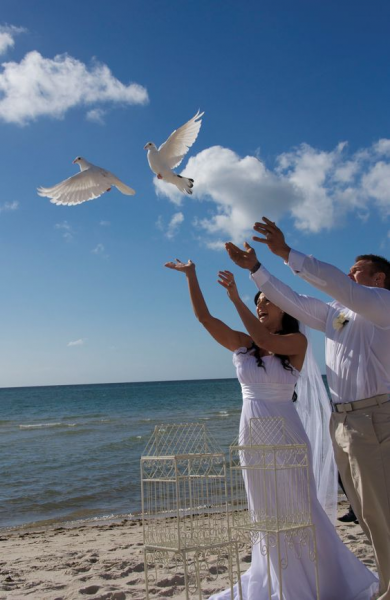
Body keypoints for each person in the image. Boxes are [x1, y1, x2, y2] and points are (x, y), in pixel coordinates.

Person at [165, 258, 378, 600]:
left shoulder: (296, 343)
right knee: (266, 514)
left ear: (285, 310)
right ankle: (278, 579)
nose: (261, 305)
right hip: (251, 438)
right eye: (258, 303)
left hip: (286, 436)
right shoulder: (243, 346)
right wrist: (192, 275)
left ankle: (323, 580)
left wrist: (237, 298)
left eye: (267, 301)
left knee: (298, 510)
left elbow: (265, 336)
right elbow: (205, 319)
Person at [225, 217, 390, 600]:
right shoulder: (338, 316)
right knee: (367, 514)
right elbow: (293, 302)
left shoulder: (382, 304)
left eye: (358, 271)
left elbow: (336, 284)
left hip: (375, 417)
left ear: (379, 279)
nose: (350, 275)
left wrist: (285, 253)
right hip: (345, 421)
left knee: (381, 510)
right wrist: (255, 270)